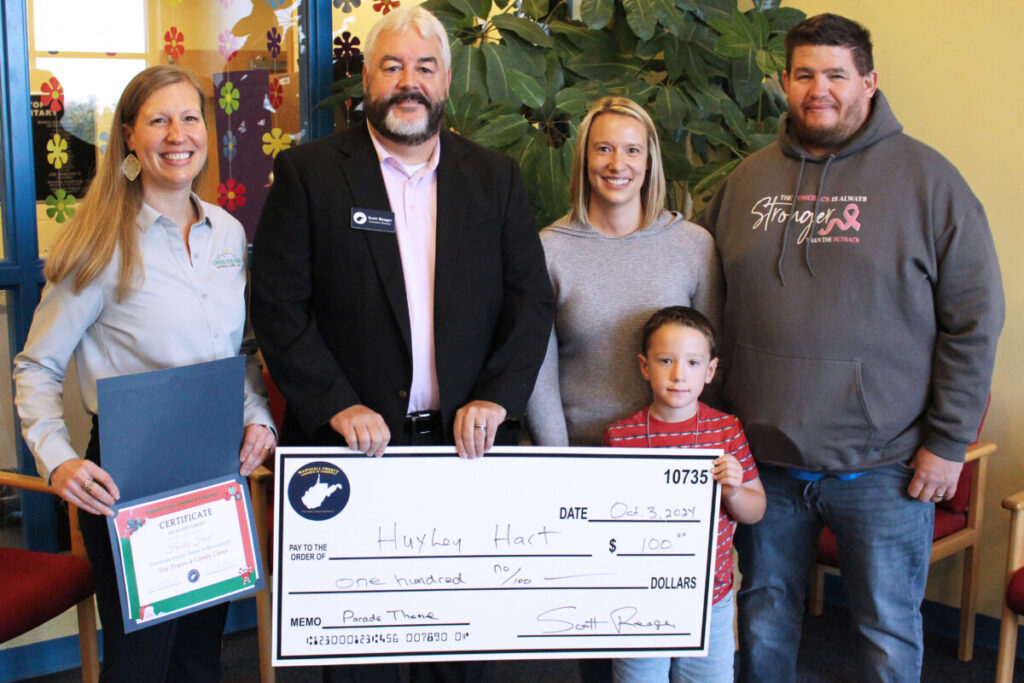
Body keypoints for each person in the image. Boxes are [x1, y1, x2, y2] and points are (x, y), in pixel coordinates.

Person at [250, 6, 553, 681]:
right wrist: (335, 403)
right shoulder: (310, 174)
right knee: (363, 662)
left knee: (457, 653)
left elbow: (531, 301)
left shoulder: (495, 177)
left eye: (423, 68)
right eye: (392, 66)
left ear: (446, 80)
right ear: (367, 78)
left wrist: (498, 398)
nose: (408, 82)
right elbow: (277, 307)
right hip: (355, 456)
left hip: (464, 454)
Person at [699, 13, 1004, 683]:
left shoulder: (930, 182)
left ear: (869, 81)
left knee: (886, 633)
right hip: (762, 466)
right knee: (764, 616)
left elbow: (975, 319)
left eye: (837, 74)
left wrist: (949, 440)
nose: (820, 89)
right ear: (784, 82)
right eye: (804, 74)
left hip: (886, 467)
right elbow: (706, 311)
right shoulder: (745, 182)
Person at [13, 65, 277, 682]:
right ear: (129, 135)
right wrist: (58, 459)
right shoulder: (99, 241)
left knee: (199, 660)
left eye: (189, 118)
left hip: (215, 467)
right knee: (142, 666)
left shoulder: (228, 233)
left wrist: (258, 417)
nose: (176, 134)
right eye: (158, 120)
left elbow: (235, 353)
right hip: (128, 474)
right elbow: (37, 365)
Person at [524, 96, 721, 682]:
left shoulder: (693, 246)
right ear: (584, 159)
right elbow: (538, 363)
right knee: (595, 632)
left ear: (650, 160)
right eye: (603, 148)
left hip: (674, 463)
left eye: (632, 149)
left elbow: (713, 353)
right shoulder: (550, 248)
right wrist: (557, 460)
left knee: (673, 627)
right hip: (586, 459)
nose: (618, 163)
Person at [604, 306, 765, 683]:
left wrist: (735, 490)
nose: (679, 375)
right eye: (666, 361)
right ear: (645, 367)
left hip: (711, 599)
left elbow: (755, 510)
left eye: (693, 363)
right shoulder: (620, 437)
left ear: (710, 371)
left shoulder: (726, 431)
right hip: (638, 598)